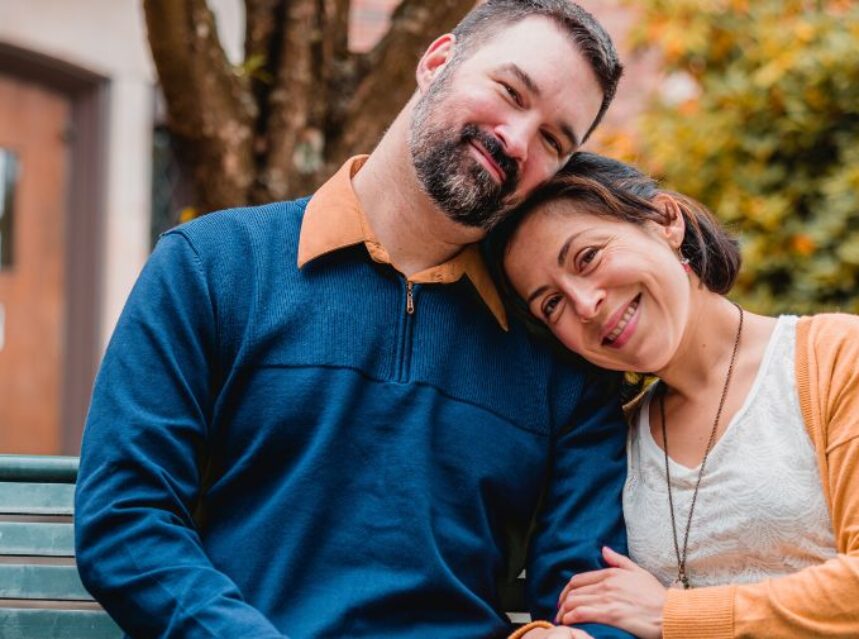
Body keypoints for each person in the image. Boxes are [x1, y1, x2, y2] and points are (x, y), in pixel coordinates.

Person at [75, 3, 633, 638]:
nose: (516, 139)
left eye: (553, 140)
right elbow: (126, 520)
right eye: (510, 91)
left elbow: (591, 598)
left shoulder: (559, 355)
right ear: (437, 61)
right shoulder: (212, 267)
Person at [493, 152, 859, 638]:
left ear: (667, 221)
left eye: (588, 257)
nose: (585, 305)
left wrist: (673, 614)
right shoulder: (610, 448)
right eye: (552, 303)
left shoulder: (834, 357)